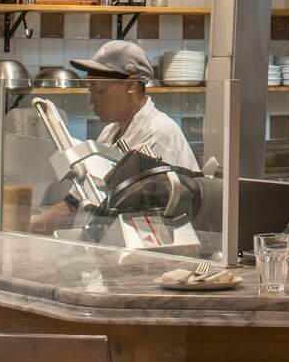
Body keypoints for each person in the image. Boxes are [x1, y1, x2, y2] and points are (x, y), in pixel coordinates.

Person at [30, 40, 198, 234]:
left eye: (100, 91)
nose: (92, 101)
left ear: (131, 85)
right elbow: (75, 203)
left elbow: (144, 216)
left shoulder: (158, 133)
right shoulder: (110, 132)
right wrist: (29, 225)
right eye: (91, 91)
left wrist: (31, 225)